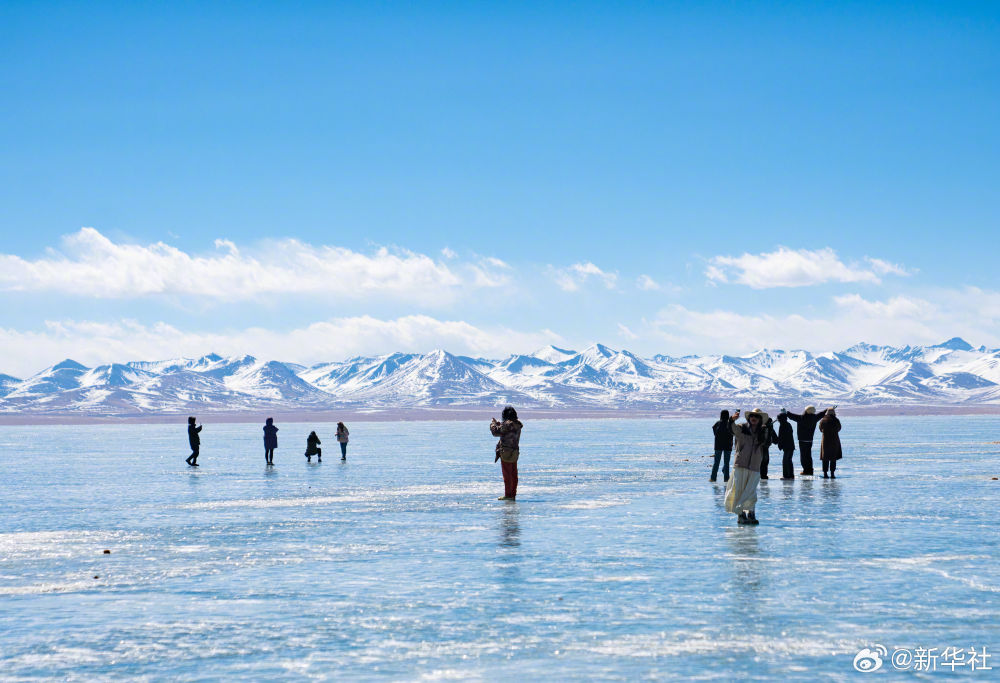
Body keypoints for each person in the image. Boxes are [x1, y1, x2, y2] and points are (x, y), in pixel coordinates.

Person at [725, 408, 768, 525]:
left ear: (760, 419)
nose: (754, 418)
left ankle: (751, 513)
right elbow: (732, 429)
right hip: (741, 464)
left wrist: (766, 430)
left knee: (751, 491)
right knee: (739, 490)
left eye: (757, 416)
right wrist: (731, 420)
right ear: (749, 418)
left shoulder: (763, 431)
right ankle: (741, 514)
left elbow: (768, 442)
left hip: (755, 465)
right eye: (752, 416)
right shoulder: (741, 428)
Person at [490, 405, 523, 501]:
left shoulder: (507, 424)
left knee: (507, 475)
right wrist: (499, 424)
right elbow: (505, 429)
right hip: (514, 452)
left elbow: (496, 432)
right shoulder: (517, 424)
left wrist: (493, 424)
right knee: (513, 474)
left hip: (506, 452)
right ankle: (512, 494)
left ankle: (508, 495)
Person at [785, 406, 824, 475]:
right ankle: (810, 470)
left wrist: (786, 412)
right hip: (810, 440)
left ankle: (806, 470)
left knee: (803, 456)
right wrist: (827, 410)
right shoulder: (815, 418)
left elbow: (791, 416)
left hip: (802, 440)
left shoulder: (801, 418)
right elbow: (821, 414)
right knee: (808, 456)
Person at [710, 410, 735, 482]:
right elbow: (734, 433)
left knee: (716, 462)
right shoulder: (730, 424)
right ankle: (726, 479)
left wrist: (717, 436)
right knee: (726, 463)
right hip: (728, 445)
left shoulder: (718, 423)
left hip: (718, 445)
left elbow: (714, 429)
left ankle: (713, 478)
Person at [819, 407, 843, 478]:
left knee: (825, 458)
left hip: (825, 441)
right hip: (834, 441)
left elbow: (820, 429)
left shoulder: (823, 420)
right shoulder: (836, 420)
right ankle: (832, 473)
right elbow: (839, 428)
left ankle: (825, 474)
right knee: (833, 457)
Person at [775, 409, 796, 480]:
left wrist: (779, 444)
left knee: (786, 461)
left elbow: (782, 437)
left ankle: (786, 476)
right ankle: (791, 475)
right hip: (790, 446)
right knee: (788, 460)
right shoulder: (788, 424)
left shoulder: (783, 425)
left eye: (779, 419)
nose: (778, 421)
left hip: (788, 446)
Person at [760, 414, 778, 480]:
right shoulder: (767, 427)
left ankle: (763, 475)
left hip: (764, 446)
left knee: (764, 461)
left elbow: (775, 439)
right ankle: (763, 475)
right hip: (763, 446)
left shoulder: (768, 427)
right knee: (764, 461)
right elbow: (775, 439)